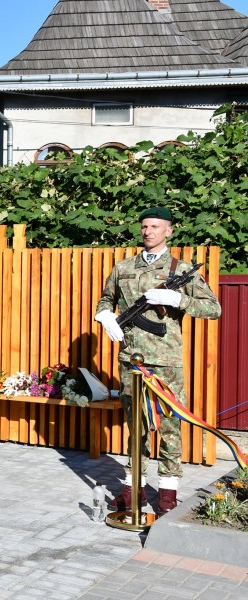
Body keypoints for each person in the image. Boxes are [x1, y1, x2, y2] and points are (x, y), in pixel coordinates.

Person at [95, 206, 221, 515]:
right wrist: (104, 315)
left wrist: (179, 299)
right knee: (135, 425)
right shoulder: (123, 267)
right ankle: (132, 486)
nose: (148, 231)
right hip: (130, 359)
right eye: (145, 226)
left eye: (155, 226)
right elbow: (105, 298)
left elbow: (214, 309)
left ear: (169, 231)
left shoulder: (181, 269)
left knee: (168, 425)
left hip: (165, 362)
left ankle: (167, 491)